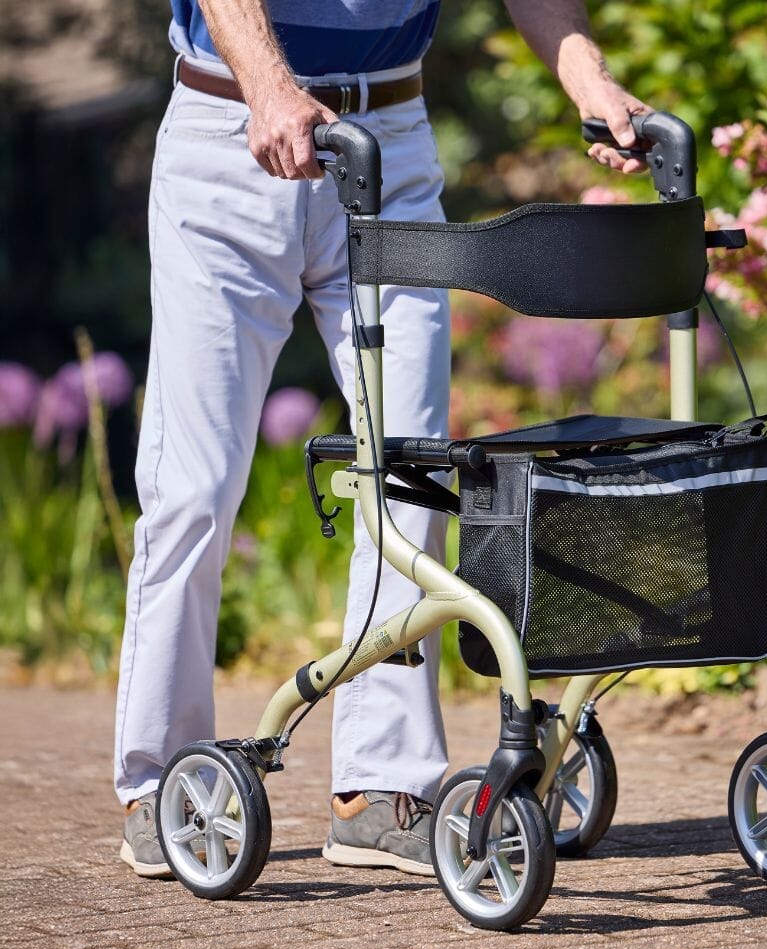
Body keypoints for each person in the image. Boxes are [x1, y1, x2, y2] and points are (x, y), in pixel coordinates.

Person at [116, 0, 649, 879]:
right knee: (194, 489)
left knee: (410, 471)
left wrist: (586, 76)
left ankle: (382, 786)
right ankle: (159, 780)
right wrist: (269, 86)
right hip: (232, 130)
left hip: (388, 138)